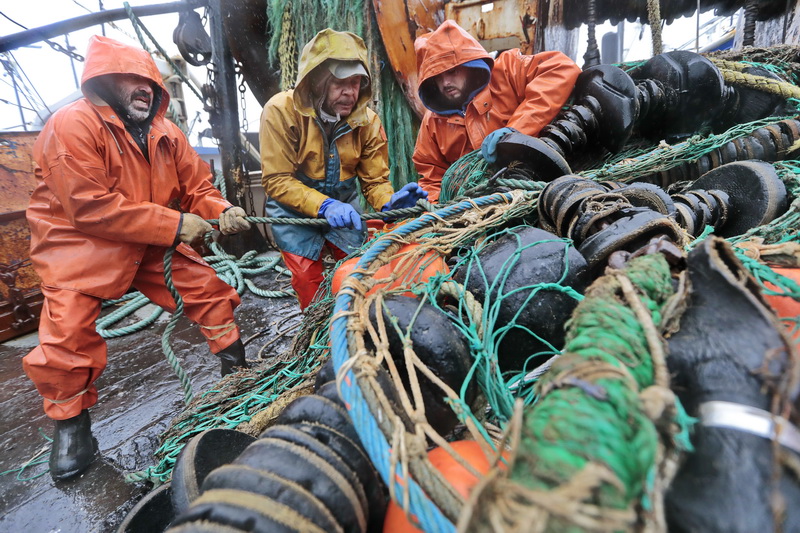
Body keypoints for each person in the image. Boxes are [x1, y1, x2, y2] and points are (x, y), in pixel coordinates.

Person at [23, 35, 253, 482]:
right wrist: (173, 226)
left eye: (149, 79)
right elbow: (88, 206)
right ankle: (72, 427)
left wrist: (222, 211)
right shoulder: (71, 125)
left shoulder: (169, 135)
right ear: (103, 82)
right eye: (132, 78)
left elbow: (198, 191)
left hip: (148, 243)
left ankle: (236, 369)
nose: (144, 87)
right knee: (66, 335)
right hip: (76, 245)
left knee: (208, 289)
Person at [259, 28, 427, 310]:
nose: (350, 93)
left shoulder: (367, 121)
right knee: (307, 281)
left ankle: (357, 326)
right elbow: (277, 181)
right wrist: (324, 205)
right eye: (340, 83)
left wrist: (389, 202)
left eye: (356, 83)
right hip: (292, 212)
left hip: (344, 207)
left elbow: (375, 182)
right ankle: (319, 333)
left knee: (360, 271)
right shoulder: (279, 111)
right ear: (316, 81)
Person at [412, 20, 582, 202]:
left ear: (467, 66)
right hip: (477, 208)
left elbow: (561, 68)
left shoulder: (508, 71)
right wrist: (429, 203)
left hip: (538, 181)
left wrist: (516, 131)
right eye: (437, 77)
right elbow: (432, 179)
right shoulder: (432, 124)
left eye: (452, 71)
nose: (446, 83)